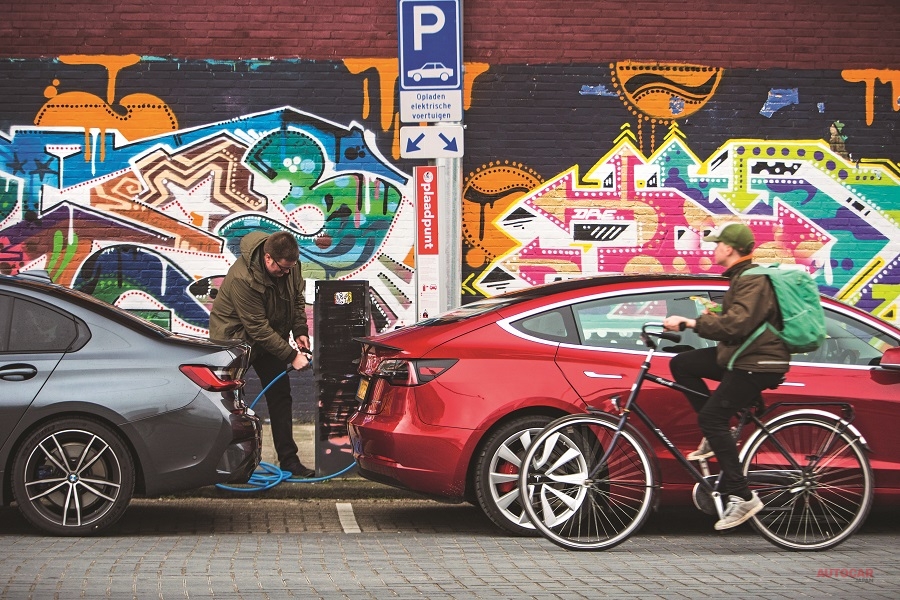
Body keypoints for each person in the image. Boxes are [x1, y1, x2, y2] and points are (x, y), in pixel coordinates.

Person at [662, 223, 789, 531]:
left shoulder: (753, 279)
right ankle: (718, 432)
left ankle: (743, 496)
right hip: (741, 356)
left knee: (711, 418)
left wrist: (692, 323)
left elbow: (737, 326)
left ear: (729, 248)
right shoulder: (742, 278)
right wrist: (715, 315)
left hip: (758, 362)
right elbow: (741, 321)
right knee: (683, 364)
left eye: (717, 244)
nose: (714, 249)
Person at [209, 230, 315, 478]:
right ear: (268, 258)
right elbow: (256, 327)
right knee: (229, 402)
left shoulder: (290, 265)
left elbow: (296, 300)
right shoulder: (242, 278)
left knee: (281, 396)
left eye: (290, 268)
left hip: (267, 339)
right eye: (282, 268)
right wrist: (291, 356)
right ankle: (227, 465)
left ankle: (289, 461)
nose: (287, 272)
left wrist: (300, 330)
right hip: (234, 340)